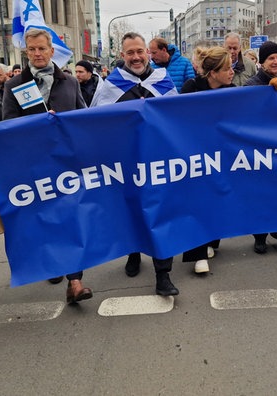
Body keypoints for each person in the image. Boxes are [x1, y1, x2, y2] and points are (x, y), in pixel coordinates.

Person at [2, 28, 92, 303]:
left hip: (66, 163)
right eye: (33, 50)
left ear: (52, 51)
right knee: (46, 220)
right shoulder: (14, 84)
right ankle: (54, 263)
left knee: (71, 219)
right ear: (26, 52)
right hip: (34, 165)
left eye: (42, 49)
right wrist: (37, 124)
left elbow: (83, 119)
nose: (38, 54)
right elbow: (8, 123)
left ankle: (75, 281)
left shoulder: (69, 82)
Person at [91, 32, 179, 296]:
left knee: (161, 216)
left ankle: (163, 275)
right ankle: (133, 252)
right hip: (126, 162)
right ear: (122, 55)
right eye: (130, 52)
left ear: (148, 53)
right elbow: (94, 120)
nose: (136, 57)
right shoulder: (111, 85)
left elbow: (178, 116)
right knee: (130, 211)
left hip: (158, 161)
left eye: (140, 51)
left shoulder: (163, 80)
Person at [179, 46, 235, 273]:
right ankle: (198, 253)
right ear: (212, 73)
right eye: (227, 68)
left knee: (217, 196)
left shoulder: (232, 90)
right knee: (197, 200)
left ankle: (212, 239)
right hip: (193, 152)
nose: (232, 72)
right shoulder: (191, 88)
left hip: (221, 154)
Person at [245, 41, 277, 254]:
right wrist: (266, 93)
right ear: (263, 62)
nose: (276, 61)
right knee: (262, 192)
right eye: (271, 58)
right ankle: (260, 234)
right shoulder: (252, 84)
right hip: (260, 146)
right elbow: (248, 113)